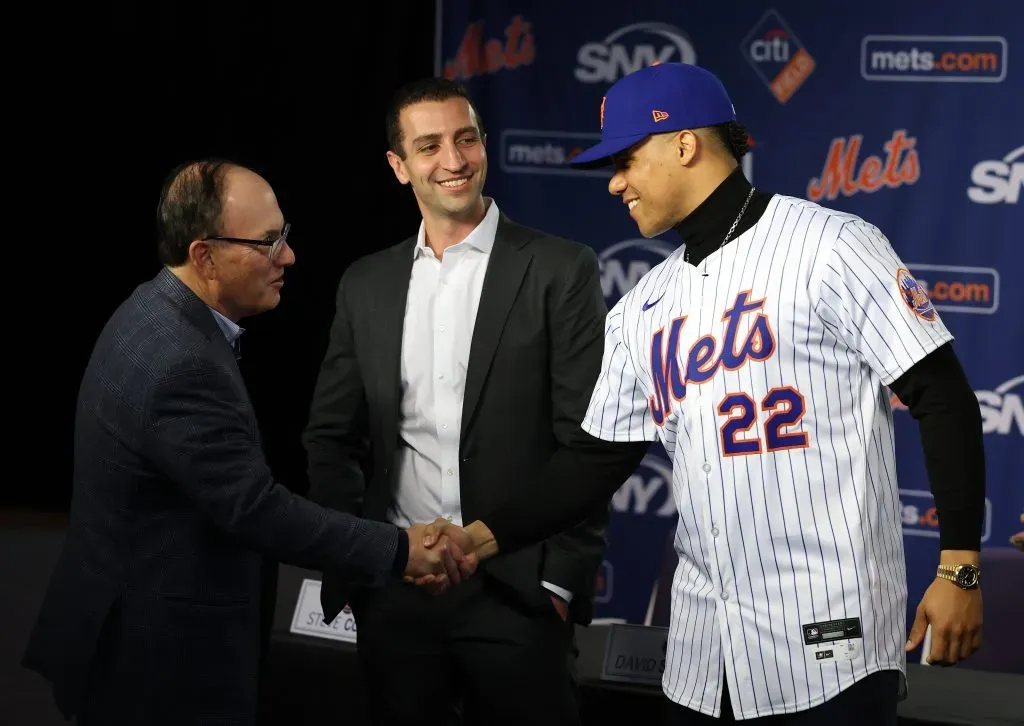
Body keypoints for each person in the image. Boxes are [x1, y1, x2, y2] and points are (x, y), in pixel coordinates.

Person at [424, 62, 987, 725]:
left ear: (684, 143)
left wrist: (959, 568)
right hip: (701, 654)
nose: (615, 182)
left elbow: (941, 396)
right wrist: (477, 540)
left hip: (829, 639)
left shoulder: (830, 246)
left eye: (627, 160)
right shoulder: (644, 307)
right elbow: (593, 463)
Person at [21, 160, 454, 726]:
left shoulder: (152, 308)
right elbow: (255, 510)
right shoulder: (180, 361)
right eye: (268, 243)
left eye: (285, 236)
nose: (289, 257)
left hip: (127, 627)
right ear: (204, 256)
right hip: (158, 662)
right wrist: (400, 550)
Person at [301, 76, 609, 725]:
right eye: (430, 145)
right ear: (398, 165)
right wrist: (361, 561)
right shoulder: (366, 283)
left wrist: (558, 583)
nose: (454, 160)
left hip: (519, 595)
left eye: (466, 139)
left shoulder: (560, 268)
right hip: (395, 592)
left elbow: (588, 443)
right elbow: (331, 437)